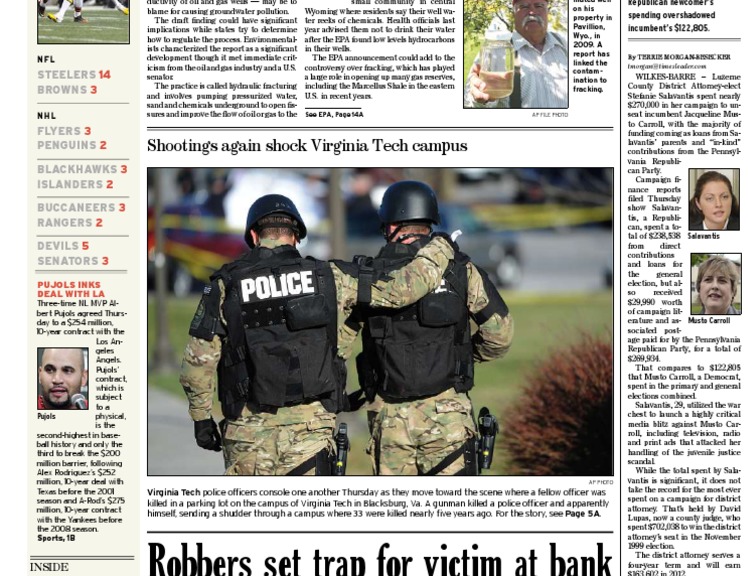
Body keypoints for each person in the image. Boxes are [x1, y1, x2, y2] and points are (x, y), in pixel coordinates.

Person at [179, 193, 456, 476]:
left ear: (253, 234)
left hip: (247, 435)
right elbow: (403, 290)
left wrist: (201, 420)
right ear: (296, 236)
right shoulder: (331, 278)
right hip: (310, 432)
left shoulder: (225, 286)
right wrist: (441, 248)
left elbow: (196, 363)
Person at [352, 180, 513, 475]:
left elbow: (340, 336)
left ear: (392, 225)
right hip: (448, 417)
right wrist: (459, 356)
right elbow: (500, 335)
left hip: (390, 421)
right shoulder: (462, 271)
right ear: (430, 221)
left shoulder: (370, 276)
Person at [465, 0, 568, 109]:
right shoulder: (497, 50)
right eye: (524, 6)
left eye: (539, 5)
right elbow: (472, 104)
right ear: (514, 13)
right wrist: (479, 98)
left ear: (547, 11)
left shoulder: (565, 45)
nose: (532, 12)